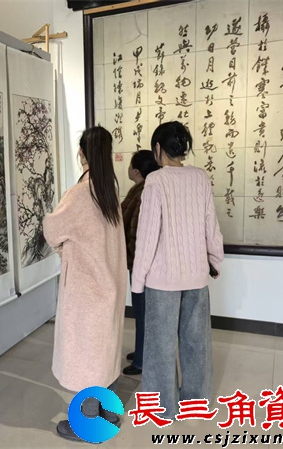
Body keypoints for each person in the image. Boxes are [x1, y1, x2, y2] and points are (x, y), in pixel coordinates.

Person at [131, 121, 224, 419]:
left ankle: (163, 408)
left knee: (160, 347)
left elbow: (147, 236)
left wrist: (137, 281)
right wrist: (214, 259)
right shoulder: (200, 177)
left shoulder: (155, 181)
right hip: (196, 276)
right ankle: (196, 402)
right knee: (196, 343)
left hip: (163, 280)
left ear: (158, 148)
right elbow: (211, 225)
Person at [43, 126, 127, 442]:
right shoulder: (109, 190)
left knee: (87, 354)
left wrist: (63, 247)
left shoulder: (80, 193)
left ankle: (89, 423)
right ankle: (105, 412)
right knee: (104, 351)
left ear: (82, 153)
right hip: (109, 285)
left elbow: (52, 229)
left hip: (86, 289)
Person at [121, 150, 159, 376]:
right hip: (146, 263)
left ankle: (142, 360)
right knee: (143, 311)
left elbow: (132, 229)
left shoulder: (142, 192)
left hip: (140, 263)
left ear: (136, 171)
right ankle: (141, 351)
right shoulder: (149, 188)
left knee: (142, 312)